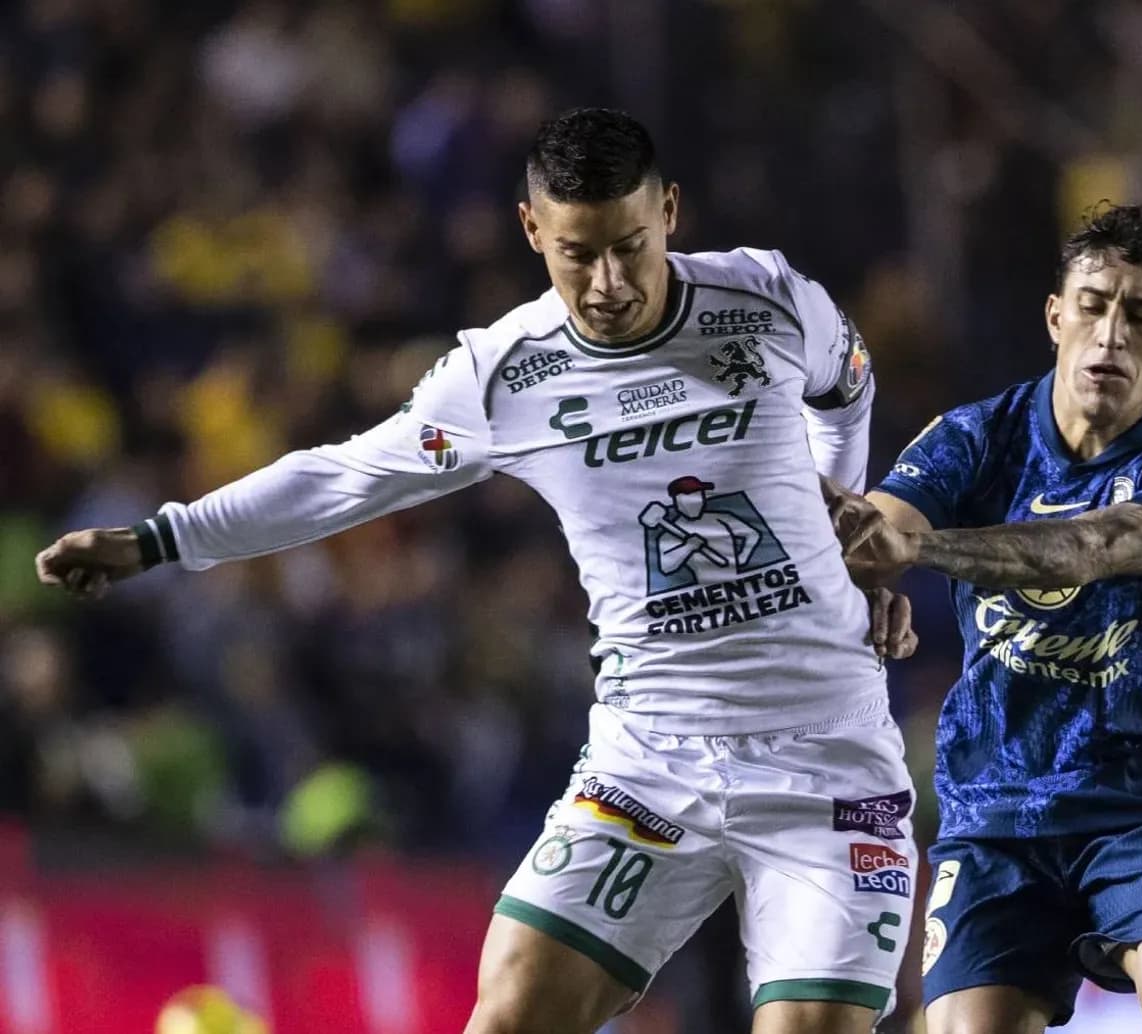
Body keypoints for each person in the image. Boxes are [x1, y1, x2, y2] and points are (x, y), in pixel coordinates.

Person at [38, 107, 921, 1034]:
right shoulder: (506, 374)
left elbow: (848, 388)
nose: (610, 283)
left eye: (631, 245)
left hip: (828, 755)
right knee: (508, 1015)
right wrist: (161, 537)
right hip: (649, 762)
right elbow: (345, 477)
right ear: (532, 230)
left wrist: (847, 545)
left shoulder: (771, 301)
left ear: (669, 211)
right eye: (579, 253)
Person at [825, 203, 1142, 1034]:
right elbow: (881, 528)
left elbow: (1089, 549)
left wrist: (920, 553)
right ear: (1055, 315)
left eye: (1141, 314)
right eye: (1093, 305)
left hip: (1139, 796)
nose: (1110, 335)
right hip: (995, 807)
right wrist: (874, 558)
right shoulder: (974, 435)